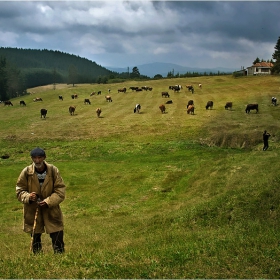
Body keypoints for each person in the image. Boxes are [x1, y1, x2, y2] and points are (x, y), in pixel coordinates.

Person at [16, 147, 66, 254]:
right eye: (34, 158)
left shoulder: (53, 170)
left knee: (57, 235)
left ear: (44, 157)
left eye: (39, 158)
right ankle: (38, 261)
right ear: (32, 158)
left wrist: (48, 202)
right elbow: (19, 191)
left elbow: (60, 191)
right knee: (35, 237)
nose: (37, 161)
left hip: (51, 209)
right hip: (33, 209)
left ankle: (61, 259)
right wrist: (29, 197)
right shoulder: (26, 172)